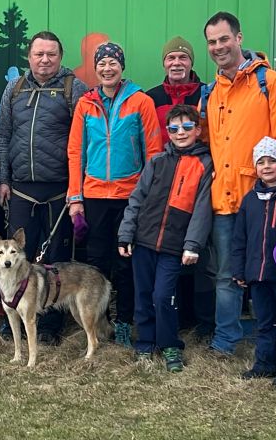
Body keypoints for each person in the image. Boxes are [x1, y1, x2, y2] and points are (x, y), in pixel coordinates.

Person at [201, 11, 276, 357]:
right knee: (225, 273)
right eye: (212, 42)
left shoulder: (270, 83)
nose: (218, 47)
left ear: (239, 38)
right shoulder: (212, 91)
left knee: (272, 272)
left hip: (264, 198)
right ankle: (225, 340)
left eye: (224, 39)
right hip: (225, 201)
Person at [67, 42, 165, 347]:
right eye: (102, 64)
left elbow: (154, 152)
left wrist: (149, 197)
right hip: (94, 195)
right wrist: (75, 197)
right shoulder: (86, 104)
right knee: (97, 263)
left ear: (122, 67)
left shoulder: (141, 101)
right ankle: (99, 322)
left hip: (130, 196)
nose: (107, 69)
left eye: (113, 63)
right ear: (95, 69)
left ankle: (124, 321)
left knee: (126, 262)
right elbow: (76, 152)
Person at [0, 31, 87, 344]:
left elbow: (83, 140)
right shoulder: (15, 87)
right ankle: (15, 317)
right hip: (21, 190)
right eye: (39, 54)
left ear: (60, 57)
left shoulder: (73, 88)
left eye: (51, 54)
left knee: (56, 260)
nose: (45, 60)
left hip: (59, 191)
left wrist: (76, 188)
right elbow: (3, 135)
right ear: (29, 56)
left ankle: (49, 325)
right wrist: (4, 179)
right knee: (18, 256)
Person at [116, 104, 213, 373]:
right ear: (167, 132)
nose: (180, 132)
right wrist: (126, 234)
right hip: (143, 241)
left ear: (198, 130)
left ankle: (170, 344)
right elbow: (136, 199)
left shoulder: (205, 164)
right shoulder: (156, 161)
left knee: (163, 296)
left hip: (174, 245)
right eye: (174, 128)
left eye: (187, 127)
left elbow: (202, 209)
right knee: (143, 294)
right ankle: (145, 342)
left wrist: (192, 244)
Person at [144, 35, 213, 340]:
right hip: (164, 178)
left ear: (191, 62)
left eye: (182, 58)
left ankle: (201, 320)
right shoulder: (152, 97)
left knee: (197, 251)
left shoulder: (206, 93)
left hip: (197, 174)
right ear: (164, 63)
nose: (176, 63)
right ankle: (176, 317)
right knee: (170, 249)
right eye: (171, 58)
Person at [230, 138, 276, 387]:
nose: (266, 166)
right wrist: (239, 269)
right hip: (257, 274)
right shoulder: (249, 200)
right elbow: (239, 238)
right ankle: (265, 364)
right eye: (261, 162)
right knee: (264, 322)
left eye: (272, 161)